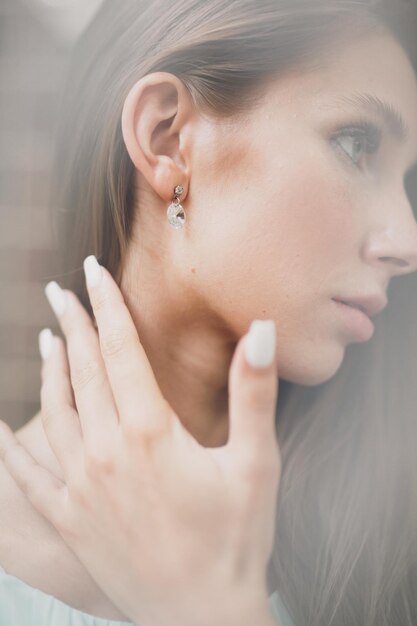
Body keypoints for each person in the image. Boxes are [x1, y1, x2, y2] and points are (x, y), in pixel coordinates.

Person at [0, 0, 417, 624]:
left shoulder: (389, 530)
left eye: (408, 183)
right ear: (167, 138)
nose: (406, 241)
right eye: (357, 144)